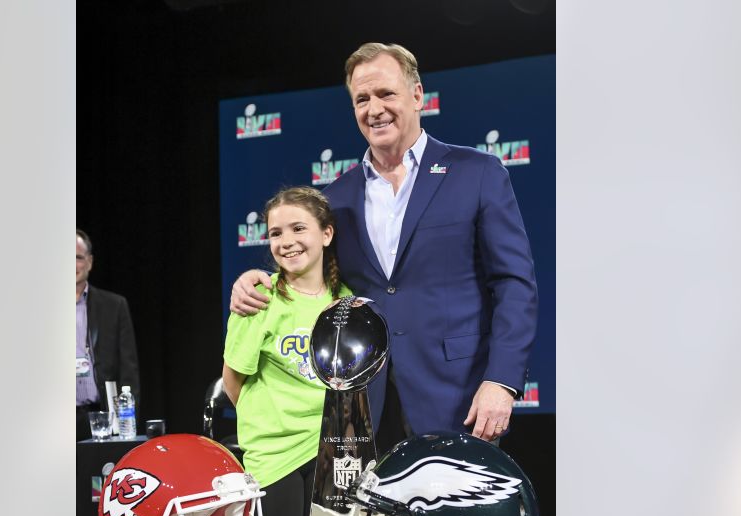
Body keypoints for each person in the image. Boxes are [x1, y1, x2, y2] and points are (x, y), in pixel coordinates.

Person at [230, 42, 537, 446]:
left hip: (461, 397)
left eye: (386, 93)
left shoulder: (477, 173)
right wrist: (255, 279)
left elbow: (514, 284)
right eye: (362, 99)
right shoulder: (335, 198)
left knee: (455, 513)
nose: (374, 109)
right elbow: (312, 273)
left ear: (417, 95)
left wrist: (502, 381)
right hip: (365, 406)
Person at [222, 187, 352, 516]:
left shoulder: (348, 303)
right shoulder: (258, 298)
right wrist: (270, 421)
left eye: (298, 228)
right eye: (276, 233)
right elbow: (232, 383)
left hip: (333, 453)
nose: (286, 241)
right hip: (275, 457)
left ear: (326, 233)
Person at [76, 229, 139, 441]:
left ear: (90, 262)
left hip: (102, 418)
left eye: (78, 258)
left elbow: (128, 368)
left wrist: (126, 419)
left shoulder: (113, 306)